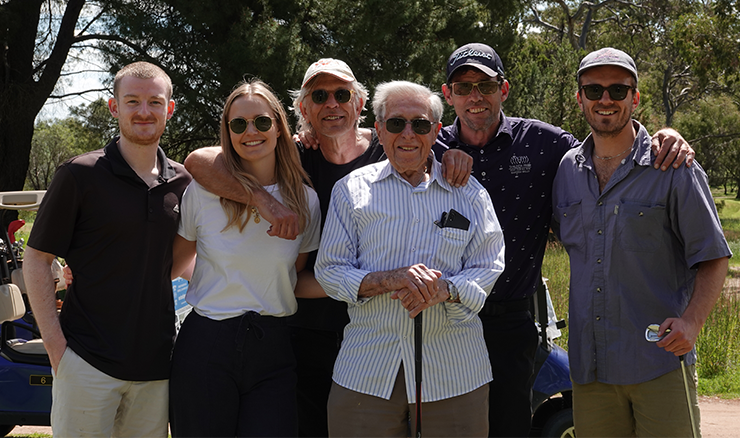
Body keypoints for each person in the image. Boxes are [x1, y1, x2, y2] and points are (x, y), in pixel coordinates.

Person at [182, 58, 472, 437]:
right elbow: (199, 161)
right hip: (305, 330)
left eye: (341, 94)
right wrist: (262, 200)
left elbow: (424, 139)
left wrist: (453, 151)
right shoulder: (294, 157)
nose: (331, 103)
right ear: (303, 109)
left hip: (383, 330)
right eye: (319, 96)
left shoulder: (387, 146)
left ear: (360, 104)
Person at [435, 42, 695, 437]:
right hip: (440, 319)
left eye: (486, 85)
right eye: (463, 86)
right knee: (442, 427)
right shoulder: (424, 142)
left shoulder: (543, 143)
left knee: (510, 427)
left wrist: (665, 135)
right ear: (446, 93)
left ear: (504, 89)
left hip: (510, 321)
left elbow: (609, 148)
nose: (475, 96)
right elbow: (371, 145)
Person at [551, 47, 730, 437]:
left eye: (618, 90)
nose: (605, 100)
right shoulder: (566, 170)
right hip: (591, 368)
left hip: (658, 361)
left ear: (635, 97)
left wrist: (692, 322)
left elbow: (714, 257)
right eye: (594, 89)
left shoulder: (674, 167)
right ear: (579, 97)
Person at [315, 80, 505, 437]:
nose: (408, 134)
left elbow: (489, 263)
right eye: (395, 123)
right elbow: (330, 271)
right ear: (378, 130)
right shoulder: (351, 191)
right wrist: (389, 280)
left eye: (419, 124)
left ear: (436, 131)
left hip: (454, 370)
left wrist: (444, 289)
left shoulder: (470, 194)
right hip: (367, 369)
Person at [23, 61, 191, 437]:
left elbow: (174, 263)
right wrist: (56, 348)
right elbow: (37, 257)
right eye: (132, 101)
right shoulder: (79, 174)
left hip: (156, 365)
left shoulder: (183, 182)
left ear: (170, 108)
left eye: (154, 102)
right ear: (114, 107)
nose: (144, 112)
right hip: (85, 360)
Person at [167, 79, 321, 437]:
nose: (251, 132)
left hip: (273, 349)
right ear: (228, 131)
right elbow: (173, 265)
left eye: (262, 122)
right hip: (205, 345)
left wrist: (361, 284)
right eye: (239, 124)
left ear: (280, 128)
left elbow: (291, 278)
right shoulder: (202, 193)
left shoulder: (306, 202)